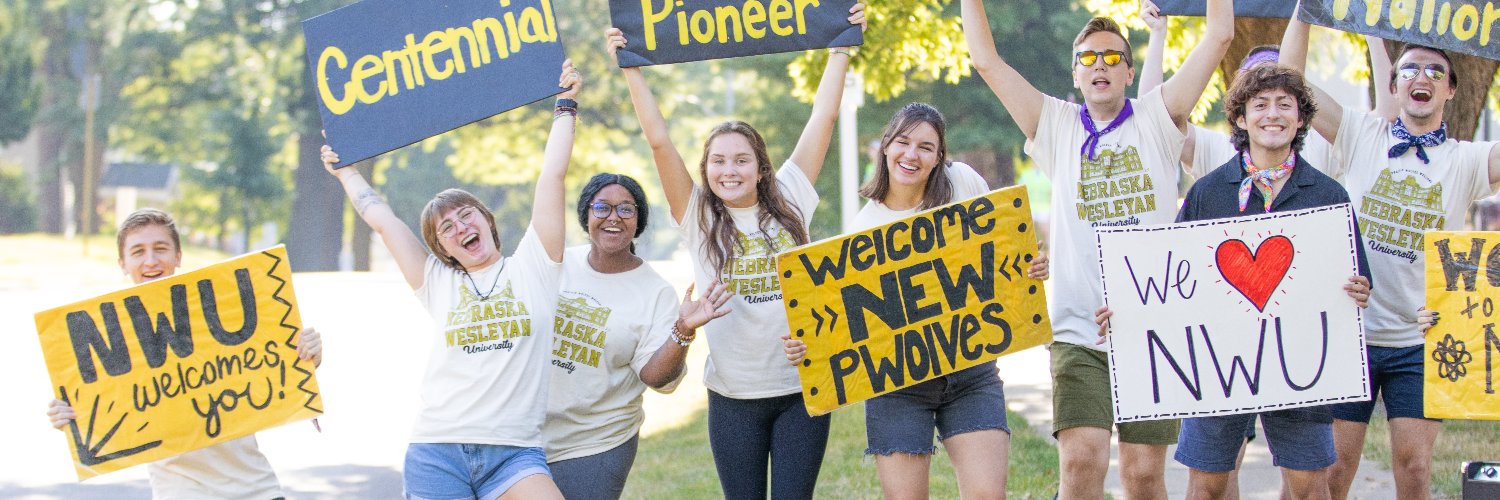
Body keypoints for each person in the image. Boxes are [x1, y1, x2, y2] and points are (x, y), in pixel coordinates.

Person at [960, 0, 1233, 498]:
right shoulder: (1056, 123)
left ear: (1130, 71)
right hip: (1077, 329)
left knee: (1143, 475)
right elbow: (986, 60)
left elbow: (1218, 36)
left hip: (1154, 331)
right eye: (1087, 58)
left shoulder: (1158, 119)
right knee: (1083, 462)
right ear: (1075, 73)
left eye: (1111, 57)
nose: (1100, 65)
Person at [605, 4, 864, 497]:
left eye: (742, 160)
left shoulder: (791, 195)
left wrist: (840, 47)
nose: (730, 170)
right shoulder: (699, 214)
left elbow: (824, 116)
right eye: (719, 161)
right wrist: (632, 68)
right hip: (732, 397)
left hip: (801, 390)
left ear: (761, 168)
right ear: (706, 170)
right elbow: (659, 143)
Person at [321, 61, 580, 499]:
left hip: (515, 454)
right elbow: (384, 222)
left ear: (487, 220)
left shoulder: (534, 265)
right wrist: (346, 172)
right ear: (442, 249)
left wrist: (567, 102)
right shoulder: (437, 281)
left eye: (466, 215)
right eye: (446, 228)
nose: (460, 227)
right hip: (438, 450)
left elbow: (551, 177)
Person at [1283, 10, 1500, 499]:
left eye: (1434, 72)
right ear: (1394, 85)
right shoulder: (1362, 134)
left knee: (1416, 472)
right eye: (1409, 70)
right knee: (1333, 476)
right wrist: (1304, 11)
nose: (1421, 78)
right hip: (1347, 334)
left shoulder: (1464, 160)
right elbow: (1291, 81)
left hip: (1421, 342)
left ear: (1451, 91)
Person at [782, 103, 1048, 498]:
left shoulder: (963, 183)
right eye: (903, 142)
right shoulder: (862, 233)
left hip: (971, 371)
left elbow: (1000, 251)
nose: (911, 155)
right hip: (898, 385)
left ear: (940, 156)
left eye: (926, 147)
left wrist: (1030, 264)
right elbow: (843, 325)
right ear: (886, 147)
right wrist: (808, 347)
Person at [1167, 63, 1372, 500]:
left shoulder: (1328, 195)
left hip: (1299, 365)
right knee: (1206, 486)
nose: (1272, 114)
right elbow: (1172, 281)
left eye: (1285, 104)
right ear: (1240, 118)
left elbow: (1359, 281)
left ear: (1301, 119)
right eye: (1260, 105)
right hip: (1218, 363)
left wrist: (1358, 290)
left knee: (1308, 487)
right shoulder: (1208, 192)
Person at [44, 208, 324, 499]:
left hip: (256, 490)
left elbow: (275, 364)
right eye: (138, 251)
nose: (151, 261)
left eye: (160, 248)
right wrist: (68, 415)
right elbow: (98, 411)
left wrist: (307, 354)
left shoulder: (222, 310)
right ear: (123, 263)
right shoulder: (114, 336)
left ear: (178, 256)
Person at [543, 173, 731, 500]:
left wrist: (682, 331)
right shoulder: (560, 262)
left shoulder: (654, 291)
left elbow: (656, 377)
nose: (613, 217)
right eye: (602, 207)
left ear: (638, 220)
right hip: (529, 437)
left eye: (626, 210)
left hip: (596, 443)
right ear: (586, 214)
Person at [1136, 0, 1396, 180]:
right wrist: (1158, 34)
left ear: (1299, 109)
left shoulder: (1320, 146)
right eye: (1259, 99)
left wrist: (1372, 34)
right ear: (1241, 113)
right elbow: (1156, 122)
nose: (1271, 112)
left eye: (1281, 98)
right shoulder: (1217, 150)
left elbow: (1385, 118)